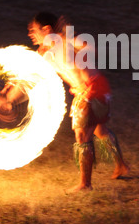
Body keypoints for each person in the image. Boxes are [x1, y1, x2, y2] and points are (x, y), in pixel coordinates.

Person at [27, 12, 130, 193]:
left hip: (93, 89)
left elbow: (93, 50)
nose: (30, 34)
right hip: (86, 91)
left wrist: (69, 38)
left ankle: (85, 184)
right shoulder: (43, 52)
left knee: (82, 136)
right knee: (100, 130)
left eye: (33, 29)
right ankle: (120, 165)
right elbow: (36, 77)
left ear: (46, 29)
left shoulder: (66, 41)